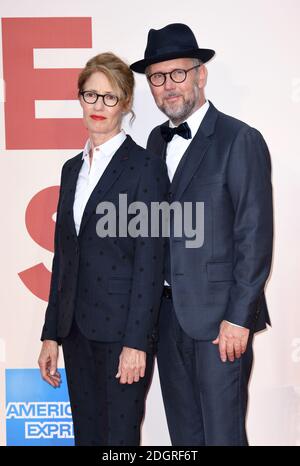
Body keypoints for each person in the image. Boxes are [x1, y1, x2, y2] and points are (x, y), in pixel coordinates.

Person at [130, 23, 273, 446]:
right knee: (184, 440)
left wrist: (238, 317)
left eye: (178, 73)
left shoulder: (239, 139)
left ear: (200, 74)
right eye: (158, 76)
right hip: (167, 319)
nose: (168, 86)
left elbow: (254, 235)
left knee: (223, 437)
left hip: (220, 322)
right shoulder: (154, 143)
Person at [38, 52, 169, 446]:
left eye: (109, 97)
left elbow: (150, 260)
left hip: (121, 336)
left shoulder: (146, 168)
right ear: (79, 98)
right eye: (90, 95)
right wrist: (50, 335)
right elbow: (65, 258)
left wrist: (136, 343)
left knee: (119, 442)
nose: (98, 106)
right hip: (76, 331)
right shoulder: (70, 169)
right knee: (88, 438)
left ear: (126, 103)